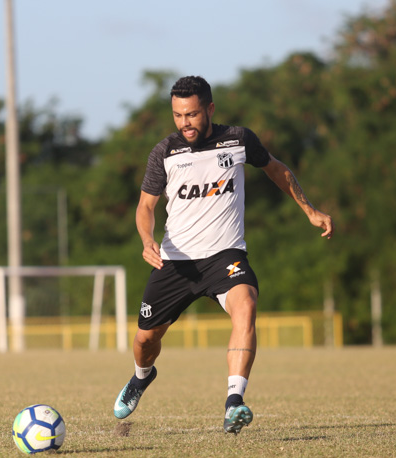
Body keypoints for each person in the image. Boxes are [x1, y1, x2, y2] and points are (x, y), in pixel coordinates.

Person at [113, 75, 333, 434]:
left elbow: (277, 170)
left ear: (210, 109)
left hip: (225, 257)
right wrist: (146, 239)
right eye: (178, 115)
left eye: (193, 114)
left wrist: (310, 210)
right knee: (145, 340)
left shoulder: (238, 139)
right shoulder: (165, 152)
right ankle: (141, 377)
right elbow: (145, 207)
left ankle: (234, 402)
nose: (185, 122)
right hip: (176, 263)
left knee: (246, 305)